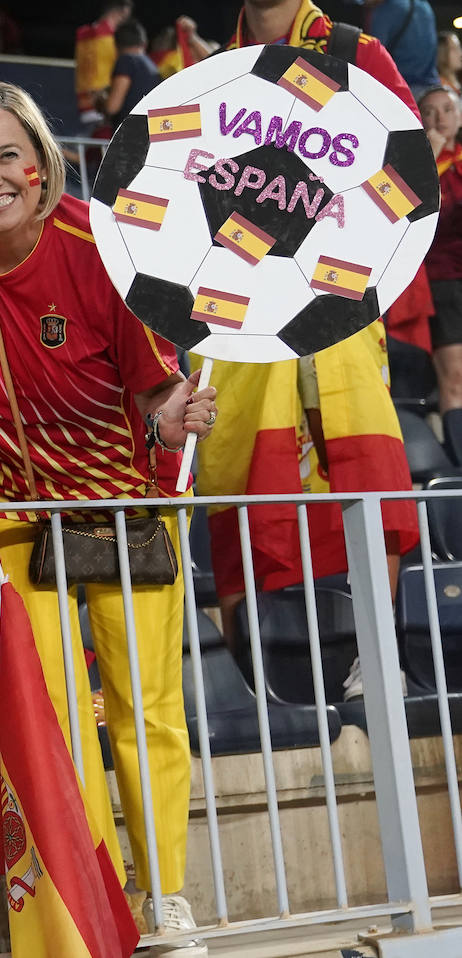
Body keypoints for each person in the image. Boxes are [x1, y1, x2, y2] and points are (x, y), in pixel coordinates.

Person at [0, 80, 217, 952]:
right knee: (53, 720)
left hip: (126, 513)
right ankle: (90, 897)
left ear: (42, 162)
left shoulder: (97, 245)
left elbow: (156, 389)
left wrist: (172, 416)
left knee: (146, 711)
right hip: (20, 524)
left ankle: (166, 891)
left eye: (6, 156)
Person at [208, 0, 419, 701]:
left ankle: (377, 655)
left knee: (367, 461)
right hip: (244, 301)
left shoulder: (359, 53)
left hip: (338, 293)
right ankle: (250, 677)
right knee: (237, 468)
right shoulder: (209, 73)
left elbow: (410, 172)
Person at [422, 86, 462, 412]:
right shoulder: (417, 168)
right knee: (455, 378)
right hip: (442, 281)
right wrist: (430, 160)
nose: (440, 118)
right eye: (430, 112)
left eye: (447, 109)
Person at [75, 0, 132, 126]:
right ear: (120, 12)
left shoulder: (83, 33)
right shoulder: (111, 39)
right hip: (103, 105)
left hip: (84, 104)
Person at [366, 0, 440, 94]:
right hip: (433, 87)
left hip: (404, 90)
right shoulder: (424, 5)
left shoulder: (386, 10)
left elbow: (372, 55)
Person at [105, 17, 159, 125]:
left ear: (116, 45)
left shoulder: (126, 61)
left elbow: (112, 107)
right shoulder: (153, 66)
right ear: (144, 42)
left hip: (128, 135)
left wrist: (101, 101)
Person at [439, 30, 461, 95]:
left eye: (459, 48)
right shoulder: (440, 88)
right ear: (441, 53)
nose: (460, 53)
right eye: (454, 48)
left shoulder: (456, 84)